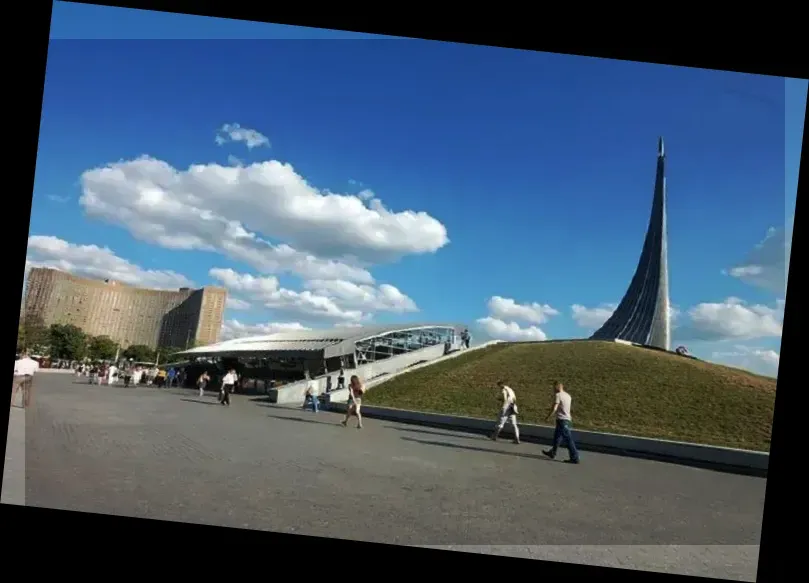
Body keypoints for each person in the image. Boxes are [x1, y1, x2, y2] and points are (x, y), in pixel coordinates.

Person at [542, 381, 580, 464]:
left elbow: (555, 408)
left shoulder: (558, 395)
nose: (553, 390)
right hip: (567, 419)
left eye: (554, 387)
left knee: (568, 439)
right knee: (557, 437)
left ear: (558, 387)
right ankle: (553, 452)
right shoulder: (568, 395)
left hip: (563, 420)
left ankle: (575, 457)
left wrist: (548, 417)